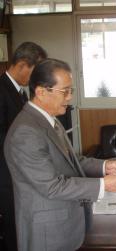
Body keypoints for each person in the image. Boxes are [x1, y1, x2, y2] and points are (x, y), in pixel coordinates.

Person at [4, 58, 116, 251]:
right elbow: (52, 187)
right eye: (65, 91)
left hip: (64, 225)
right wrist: (103, 184)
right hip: (46, 233)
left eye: (71, 90)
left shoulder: (49, 119)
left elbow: (72, 161)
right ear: (41, 92)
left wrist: (105, 166)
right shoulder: (26, 132)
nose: (69, 97)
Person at [0, 42, 47, 251]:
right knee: (12, 225)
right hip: (6, 173)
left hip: (20, 170)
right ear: (21, 65)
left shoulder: (20, 91)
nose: (36, 78)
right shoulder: (1, 90)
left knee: (21, 223)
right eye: (34, 71)